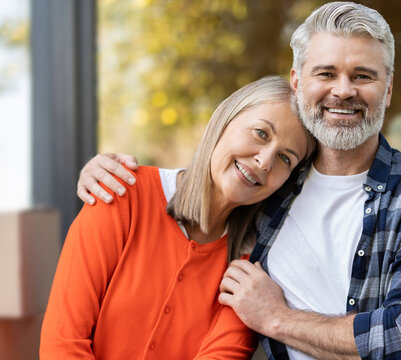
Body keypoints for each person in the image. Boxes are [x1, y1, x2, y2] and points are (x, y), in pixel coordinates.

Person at [77, 2, 401, 359]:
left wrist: (276, 318)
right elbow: (203, 186)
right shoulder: (270, 183)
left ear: (387, 91)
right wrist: (108, 171)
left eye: (363, 75)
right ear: (298, 83)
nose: (343, 90)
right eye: (326, 73)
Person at [40, 76, 315, 359]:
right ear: (224, 119)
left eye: (285, 158)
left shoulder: (250, 272)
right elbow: (62, 343)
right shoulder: (121, 193)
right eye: (261, 133)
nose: (265, 161)